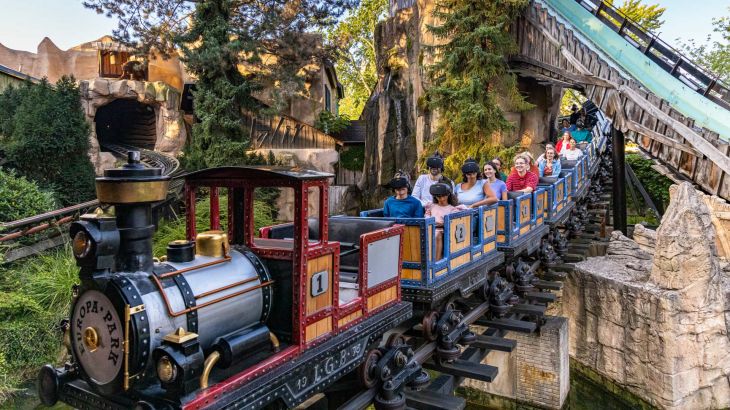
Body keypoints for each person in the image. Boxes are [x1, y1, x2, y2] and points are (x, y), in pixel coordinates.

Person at [426, 183, 468, 259]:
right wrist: (431, 222)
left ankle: (437, 261)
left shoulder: (453, 209)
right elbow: (427, 217)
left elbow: (451, 222)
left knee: (437, 234)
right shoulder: (431, 206)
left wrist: (439, 224)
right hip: (430, 228)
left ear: (448, 195)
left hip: (444, 231)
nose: (441, 198)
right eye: (438, 196)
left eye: (443, 196)